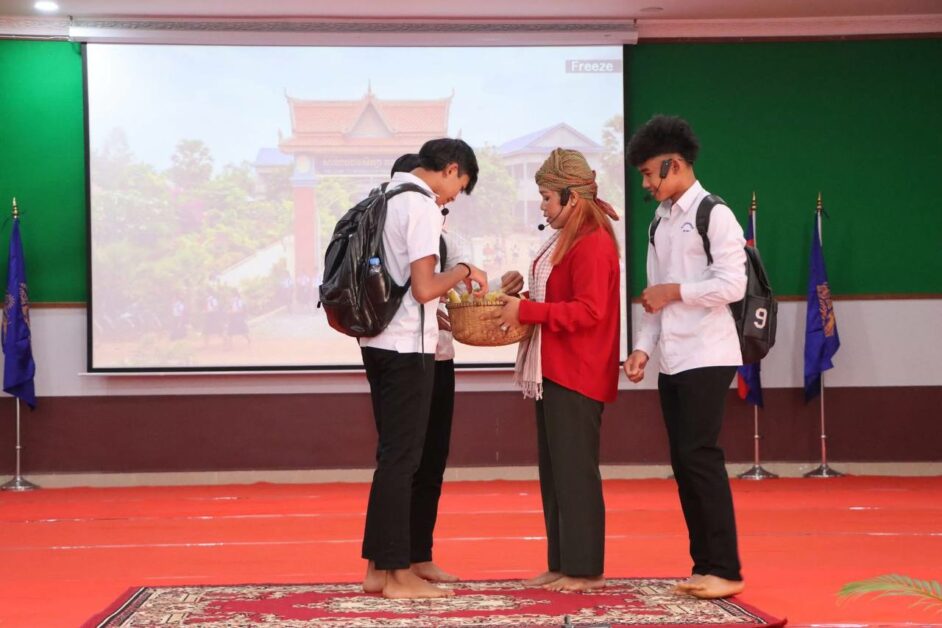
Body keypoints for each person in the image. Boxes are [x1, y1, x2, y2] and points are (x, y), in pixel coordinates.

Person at [623, 115, 747, 600]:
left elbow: (733, 285)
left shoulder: (715, 213)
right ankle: (704, 566)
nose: (645, 184)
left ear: (673, 164)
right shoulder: (660, 220)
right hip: (673, 358)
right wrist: (641, 349)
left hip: (708, 352)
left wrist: (676, 291)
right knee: (684, 461)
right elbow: (653, 297)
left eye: (648, 173)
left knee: (699, 457)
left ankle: (726, 568)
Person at [359, 139, 486, 599]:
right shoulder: (421, 205)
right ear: (450, 169)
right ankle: (398, 575)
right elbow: (425, 287)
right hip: (407, 347)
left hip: (376, 341)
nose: (454, 196)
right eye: (460, 185)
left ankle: (379, 570)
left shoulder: (383, 197)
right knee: (403, 460)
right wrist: (465, 269)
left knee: (393, 457)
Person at [491, 148, 621, 592]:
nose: (543, 207)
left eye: (547, 198)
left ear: (572, 197)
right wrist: (520, 296)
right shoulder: (568, 237)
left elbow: (589, 311)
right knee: (556, 474)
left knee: (575, 474)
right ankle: (563, 562)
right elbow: (559, 300)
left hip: (577, 371)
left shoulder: (593, 242)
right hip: (554, 368)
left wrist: (527, 310)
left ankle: (586, 569)